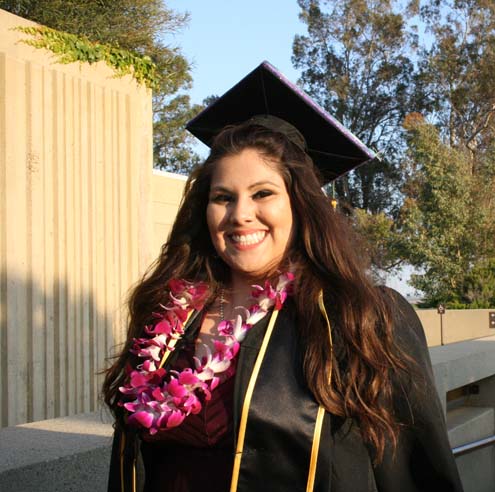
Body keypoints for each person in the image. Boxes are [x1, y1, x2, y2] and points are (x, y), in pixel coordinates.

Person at [102, 61, 462, 492]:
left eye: (263, 194)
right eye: (223, 197)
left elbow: (415, 472)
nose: (240, 215)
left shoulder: (358, 316)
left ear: (300, 204)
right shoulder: (167, 313)